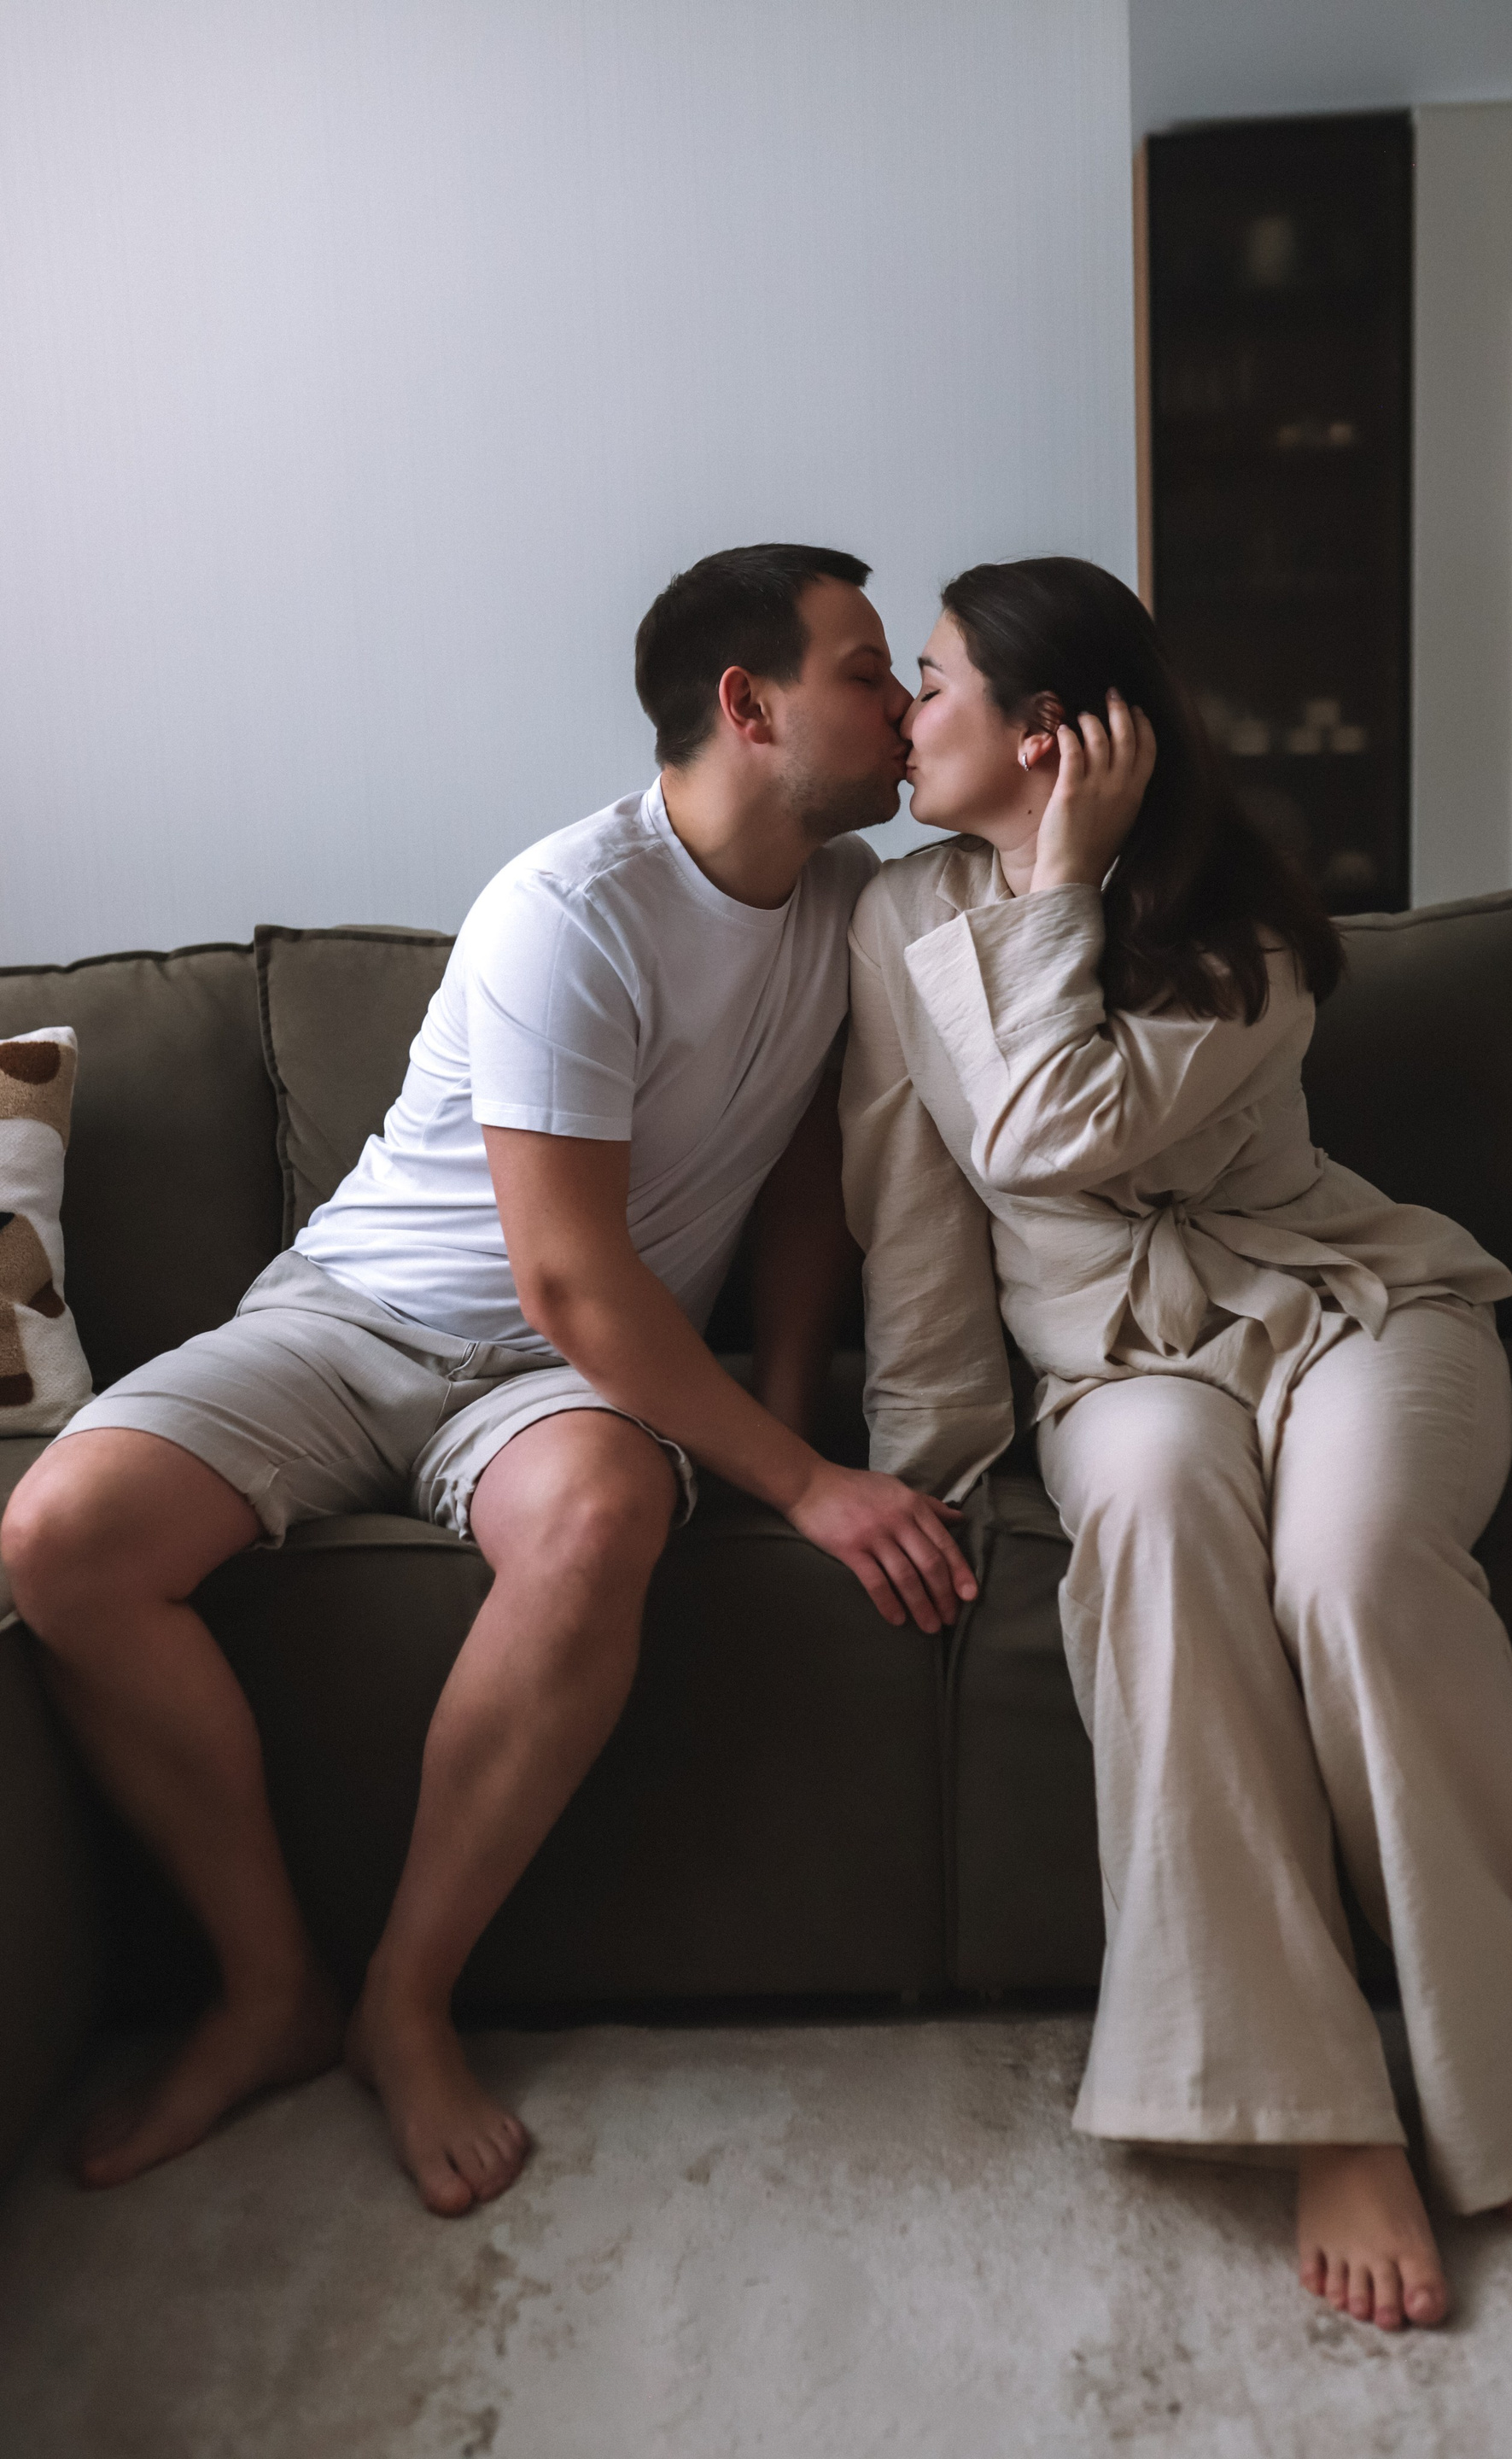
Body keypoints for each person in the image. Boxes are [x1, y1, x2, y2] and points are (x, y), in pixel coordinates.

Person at [0, 542, 976, 2217]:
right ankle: (267, 1991)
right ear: (748, 706)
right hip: (352, 1316)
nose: (904, 707)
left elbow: (806, 1180)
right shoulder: (573, 907)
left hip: (556, 1389)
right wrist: (808, 1488)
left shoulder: (849, 910)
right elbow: (567, 1274)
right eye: (868, 671)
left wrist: (791, 1404)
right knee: (56, 1537)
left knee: (598, 1520)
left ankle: (405, 1999)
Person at [839, 554, 1512, 2333]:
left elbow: (1046, 1132)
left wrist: (1059, 881)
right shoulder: (889, 917)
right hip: (1117, 1366)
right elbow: (916, 1201)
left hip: (1343, 1305)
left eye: (937, 679)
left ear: (1048, 734)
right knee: (1157, 1533)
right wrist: (924, 1459)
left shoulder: (1237, 924)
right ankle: (1314, 2108)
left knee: (1351, 1574)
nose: (907, 711)